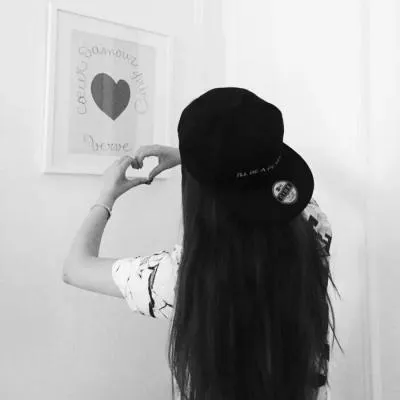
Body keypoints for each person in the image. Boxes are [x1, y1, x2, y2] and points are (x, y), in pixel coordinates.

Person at [63, 87, 343, 400]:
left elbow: (75, 267)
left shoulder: (183, 278)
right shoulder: (314, 226)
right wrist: (200, 162)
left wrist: (106, 195)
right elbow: (263, 188)